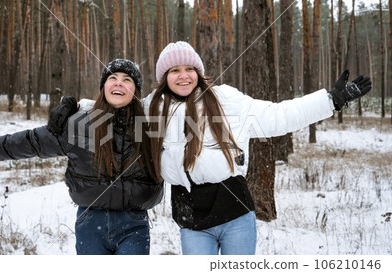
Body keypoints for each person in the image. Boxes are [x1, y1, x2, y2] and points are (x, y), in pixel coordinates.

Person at [49, 42, 371, 255]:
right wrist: (74, 105)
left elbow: (277, 116)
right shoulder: (150, 109)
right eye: (174, 70)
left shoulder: (226, 100)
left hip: (235, 212)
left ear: (198, 73)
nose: (183, 75)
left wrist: (330, 100)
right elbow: (115, 102)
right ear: (165, 77)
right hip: (191, 216)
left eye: (189, 69)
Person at [0, 59, 163, 255]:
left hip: (134, 225)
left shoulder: (151, 126)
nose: (119, 82)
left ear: (135, 91)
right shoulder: (78, 124)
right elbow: (33, 141)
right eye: (112, 78)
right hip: (91, 223)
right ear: (103, 87)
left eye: (127, 79)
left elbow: (184, 114)